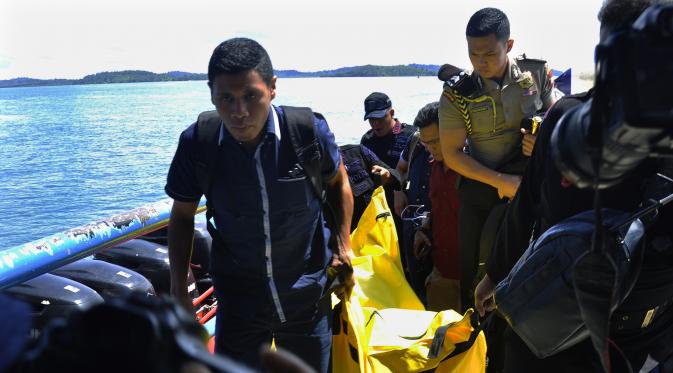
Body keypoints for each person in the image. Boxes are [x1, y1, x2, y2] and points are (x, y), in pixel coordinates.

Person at [474, 1, 673, 372]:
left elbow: (526, 207)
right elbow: (527, 203)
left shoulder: (565, 117)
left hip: (555, 320)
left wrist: (495, 277)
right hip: (641, 334)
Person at [165, 38, 354, 373]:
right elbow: (181, 216)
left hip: (306, 298)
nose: (239, 112)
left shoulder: (307, 133)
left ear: (273, 87)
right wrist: (179, 286)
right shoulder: (198, 144)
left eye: (251, 96)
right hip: (239, 303)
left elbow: (339, 183)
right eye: (226, 98)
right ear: (211, 93)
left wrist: (343, 243)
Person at [438, 7, 558, 310]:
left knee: (527, 272)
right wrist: (501, 182)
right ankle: (476, 343)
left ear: (509, 45)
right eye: (473, 54)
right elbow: (452, 155)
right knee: (474, 274)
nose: (480, 62)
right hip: (481, 187)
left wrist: (541, 137)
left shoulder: (537, 73)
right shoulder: (457, 93)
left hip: (529, 186)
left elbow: (557, 116)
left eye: (489, 54)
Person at [411, 102, 461, 312]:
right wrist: (422, 229)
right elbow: (438, 208)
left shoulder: (475, 168)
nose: (431, 148)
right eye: (426, 143)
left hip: (473, 277)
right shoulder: (434, 167)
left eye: (435, 141)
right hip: (441, 271)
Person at [394, 130, 433, 302]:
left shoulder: (459, 145)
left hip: (438, 225)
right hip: (411, 219)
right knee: (415, 282)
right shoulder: (415, 139)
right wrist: (398, 191)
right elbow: (401, 168)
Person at [340, 144, 400, 231]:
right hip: (343, 236)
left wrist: (388, 175)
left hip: (377, 230)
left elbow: (397, 177)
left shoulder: (358, 151)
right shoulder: (315, 172)